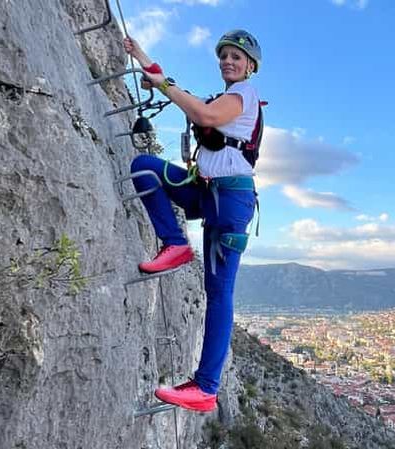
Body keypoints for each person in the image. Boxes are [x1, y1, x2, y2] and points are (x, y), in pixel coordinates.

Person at [122, 30, 262, 412]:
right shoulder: (223, 97)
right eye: (224, 56)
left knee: (219, 294)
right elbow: (183, 93)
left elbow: (203, 115)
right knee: (145, 167)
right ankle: (176, 244)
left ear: (250, 66)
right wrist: (141, 56)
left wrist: (164, 85)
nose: (228, 61)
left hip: (230, 200)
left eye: (236, 57)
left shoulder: (244, 95)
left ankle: (206, 387)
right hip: (205, 190)